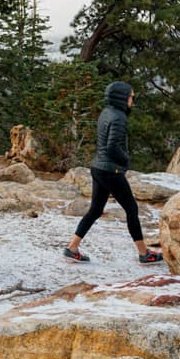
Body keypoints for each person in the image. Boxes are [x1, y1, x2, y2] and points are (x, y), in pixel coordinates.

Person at [63, 81, 163, 265]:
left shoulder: (107, 112)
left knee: (95, 210)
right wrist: (125, 160)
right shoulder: (119, 117)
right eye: (131, 96)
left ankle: (72, 248)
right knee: (131, 209)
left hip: (98, 168)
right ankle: (144, 254)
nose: (132, 99)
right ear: (122, 97)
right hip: (110, 170)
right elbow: (112, 146)